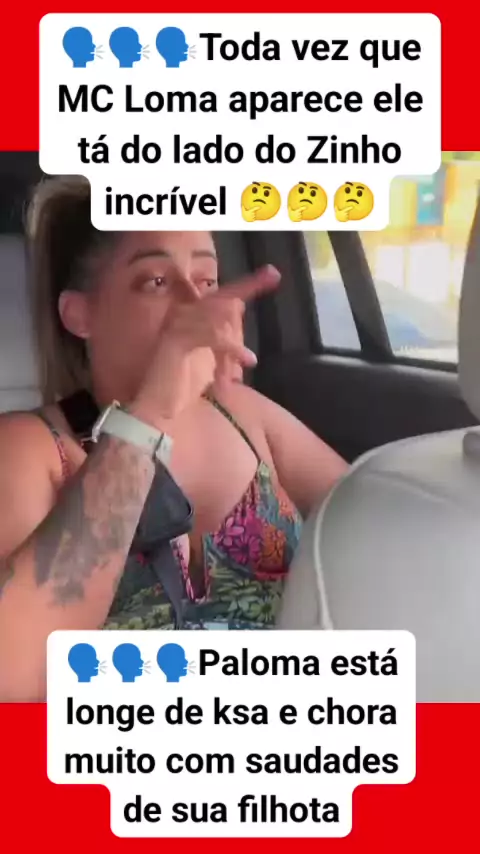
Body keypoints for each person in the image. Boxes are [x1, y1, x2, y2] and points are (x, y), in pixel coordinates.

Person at [0, 176, 347, 701]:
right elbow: (18, 677)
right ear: (80, 315)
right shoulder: (29, 448)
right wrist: (152, 412)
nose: (194, 304)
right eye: (157, 282)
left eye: (206, 281)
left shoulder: (247, 417)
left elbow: (380, 533)